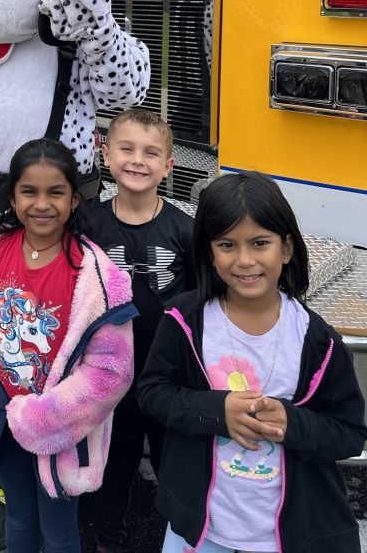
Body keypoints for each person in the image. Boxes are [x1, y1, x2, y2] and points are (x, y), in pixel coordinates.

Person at [137, 171, 367, 553]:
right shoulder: (183, 320)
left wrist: (292, 422)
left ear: (287, 248)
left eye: (260, 243)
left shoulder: (318, 340)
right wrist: (216, 410)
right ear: (209, 252)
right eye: (227, 244)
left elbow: (349, 432)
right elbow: (152, 394)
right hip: (200, 531)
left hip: (286, 537)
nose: (245, 260)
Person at [0, 138, 137, 553]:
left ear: (74, 199)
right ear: (12, 196)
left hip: (60, 431)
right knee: (18, 517)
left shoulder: (99, 279)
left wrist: (45, 419)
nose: (42, 204)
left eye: (56, 192)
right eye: (29, 191)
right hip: (3, 419)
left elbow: (111, 372)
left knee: (59, 532)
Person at [82, 109, 194, 553]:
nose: (137, 160)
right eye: (126, 148)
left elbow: (199, 307)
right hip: (110, 379)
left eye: (151, 153)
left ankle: (184, 539)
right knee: (114, 464)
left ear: (168, 166)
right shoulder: (88, 224)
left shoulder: (186, 230)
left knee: (175, 464)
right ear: (105, 154)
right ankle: (109, 539)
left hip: (166, 376)